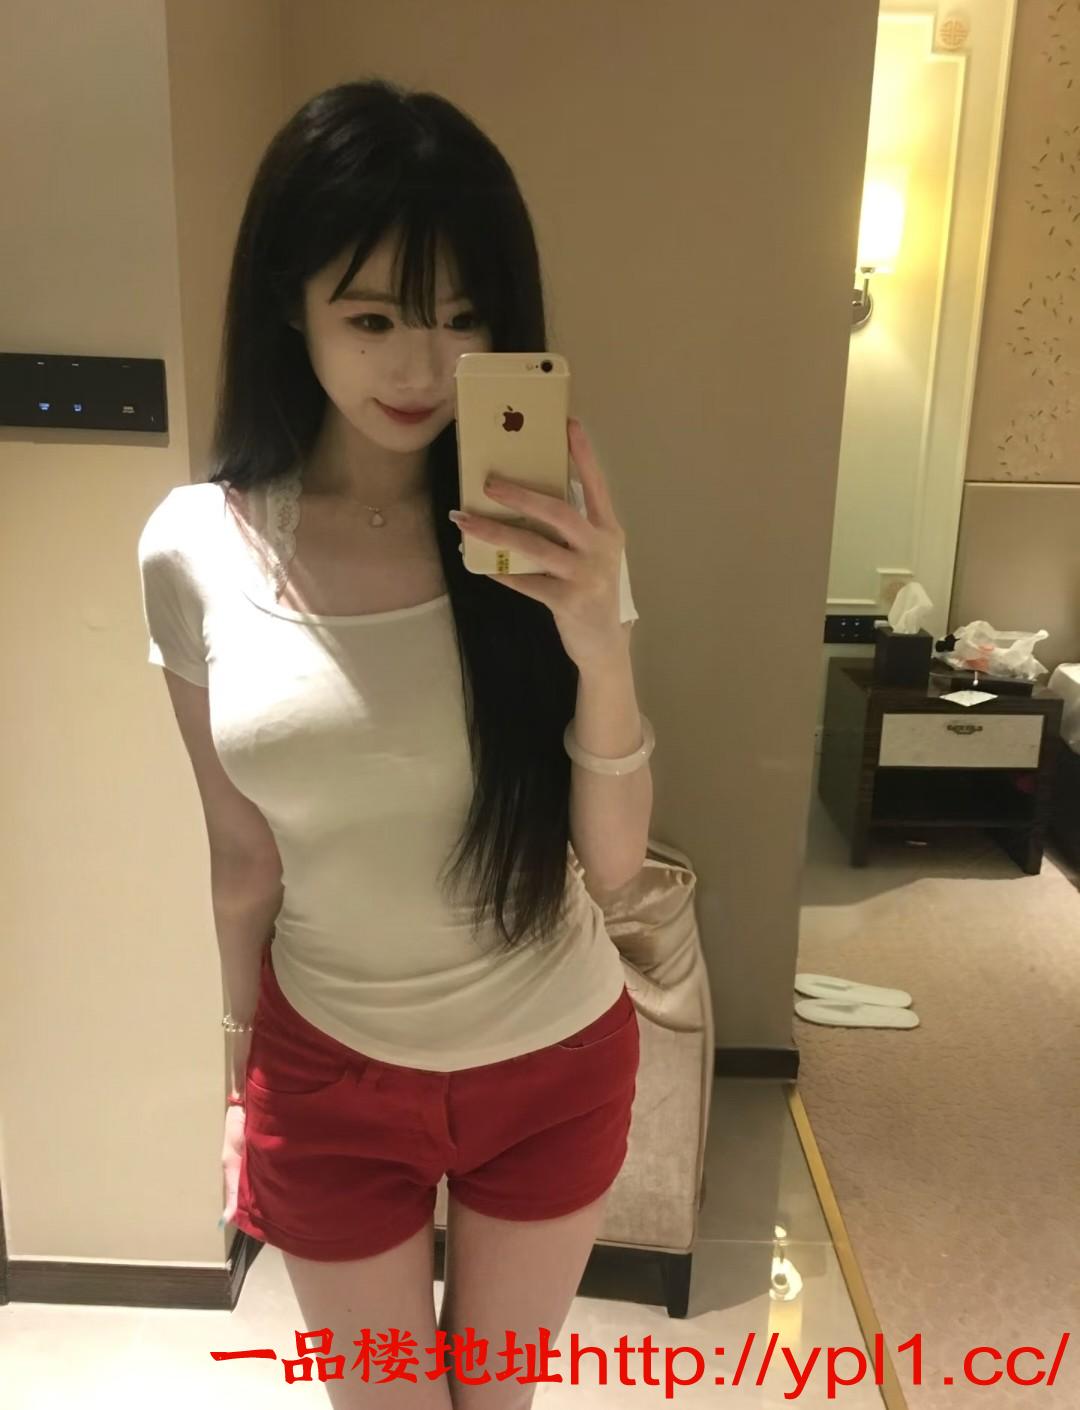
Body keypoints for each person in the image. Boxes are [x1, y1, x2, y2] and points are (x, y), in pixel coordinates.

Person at [137, 77, 653, 1409]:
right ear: (291, 306)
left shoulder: (546, 533)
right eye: (372, 319)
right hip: (326, 1066)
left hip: (552, 1056)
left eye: (462, 318)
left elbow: (613, 867)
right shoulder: (194, 549)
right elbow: (240, 854)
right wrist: (238, 1071)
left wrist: (602, 644)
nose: (422, 370)